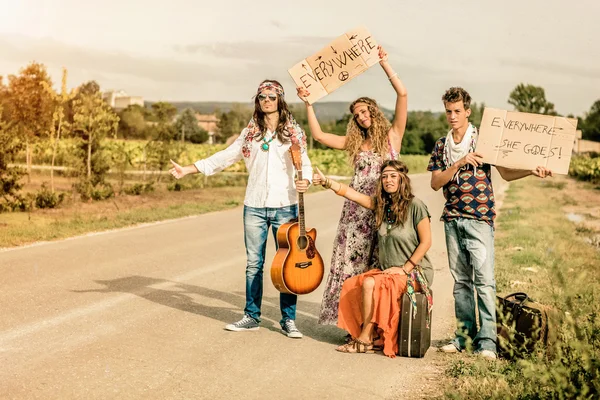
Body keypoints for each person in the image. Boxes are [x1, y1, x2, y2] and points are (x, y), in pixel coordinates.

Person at [169, 80, 312, 339]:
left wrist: (307, 179)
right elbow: (225, 156)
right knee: (253, 265)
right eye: (261, 97)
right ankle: (252, 316)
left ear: (280, 99)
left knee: (287, 264)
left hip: (285, 205)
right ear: (257, 101)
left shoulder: (293, 133)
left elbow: (306, 162)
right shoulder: (250, 134)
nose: (266, 100)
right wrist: (189, 169)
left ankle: (288, 320)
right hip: (255, 206)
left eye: (271, 96)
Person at [428, 87, 553, 360]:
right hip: (452, 218)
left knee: (484, 282)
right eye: (448, 111)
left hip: (480, 220)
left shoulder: (483, 141)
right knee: (461, 282)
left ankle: (487, 343)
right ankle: (463, 338)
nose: (452, 116)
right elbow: (436, 182)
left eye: (457, 111)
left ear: (467, 111)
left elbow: (506, 174)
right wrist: (460, 162)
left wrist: (531, 169)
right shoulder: (441, 145)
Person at [297, 45, 408, 326]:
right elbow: (319, 136)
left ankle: (376, 325)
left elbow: (403, 94)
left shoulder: (393, 137)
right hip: (355, 215)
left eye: (364, 110)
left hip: (383, 212)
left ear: (373, 110)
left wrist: (384, 63)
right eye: (356, 114)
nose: (361, 116)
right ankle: (351, 323)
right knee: (351, 264)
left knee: (377, 267)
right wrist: (309, 104)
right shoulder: (355, 143)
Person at [313, 160, 433, 357]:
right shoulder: (382, 206)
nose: (388, 180)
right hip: (389, 272)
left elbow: (426, 242)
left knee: (369, 283)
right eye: (384, 176)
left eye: (393, 176)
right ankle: (367, 335)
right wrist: (327, 182)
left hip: (414, 273)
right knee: (353, 284)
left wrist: (405, 268)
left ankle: (365, 338)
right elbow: (352, 194)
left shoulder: (416, 206)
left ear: (403, 178)